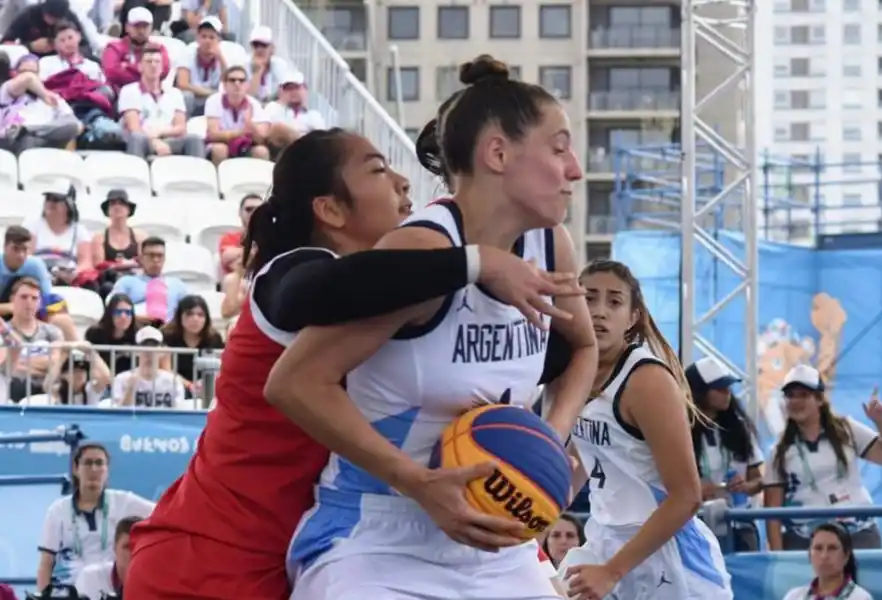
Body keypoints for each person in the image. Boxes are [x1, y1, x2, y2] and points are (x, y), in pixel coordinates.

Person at [125, 125, 584, 600]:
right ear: (330, 209)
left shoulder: (392, 302)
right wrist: (477, 262)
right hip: (210, 557)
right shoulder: (290, 274)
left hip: (301, 553)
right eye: (378, 171)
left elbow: (536, 353)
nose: (403, 184)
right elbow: (329, 289)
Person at [265, 54, 596, 600]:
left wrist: (548, 438)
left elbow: (583, 348)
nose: (575, 168)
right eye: (559, 148)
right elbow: (294, 383)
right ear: (497, 153)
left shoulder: (549, 243)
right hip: (378, 537)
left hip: (496, 544)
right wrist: (417, 481)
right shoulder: (424, 247)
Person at [557, 260, 732, 600]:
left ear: (633, 317)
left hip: (665, 552)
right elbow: (586, 453)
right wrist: (538, 510)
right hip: (606, 537)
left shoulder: (647, 381)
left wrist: (612, 571)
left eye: (614, 301)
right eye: (589, 299)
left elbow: (687, 496)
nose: (599, 312)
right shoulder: (573, 370)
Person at [763, 365, 882, 551]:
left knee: (866, 580)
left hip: (857, 531)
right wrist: (778, 557)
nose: (795, 401)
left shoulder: (846, 429)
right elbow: (773, 510)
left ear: (819, 399)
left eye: (803, 395)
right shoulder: (779, 450)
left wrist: (880, 423)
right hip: (806, 537)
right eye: (790, 395)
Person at [36, 443, 154, 590]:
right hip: (72, 591)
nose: (94, 469)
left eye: (99, 463)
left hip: (113, 589)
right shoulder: (58, 510)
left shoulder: (124, 501)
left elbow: (163, 514)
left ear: (107, 470)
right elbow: (46, 561)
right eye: (88, 463)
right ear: (76, 469)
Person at [686, 356, 764, 551]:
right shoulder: (680, 430)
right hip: (697, 523)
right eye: (720, 389)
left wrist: (745, 486)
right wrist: (696, 490)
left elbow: (759, 480)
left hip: (739, 523)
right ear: (699, 392)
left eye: (728, 388)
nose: (727, 394)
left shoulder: (739, 429)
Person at [781, 522, 874, 600]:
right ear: (810, 555)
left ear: (846, 556)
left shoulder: (860, 597)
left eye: (832, 548)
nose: (824, 556)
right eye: (818, 548)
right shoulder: (794, 596)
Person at [74, 516, 140, 600]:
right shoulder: (90, 578)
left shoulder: (156, 582)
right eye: (127, 547)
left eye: (139, 546)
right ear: (115, 548)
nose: (133, 552)